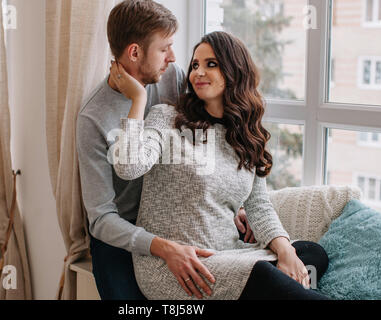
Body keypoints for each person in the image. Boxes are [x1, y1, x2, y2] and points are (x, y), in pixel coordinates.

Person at [110, 31, 330, 300]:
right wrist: (138, 100)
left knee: (309, 253)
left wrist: (286, 252)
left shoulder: (247, 135)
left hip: (228, 253)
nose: (198, 72)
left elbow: (259, 206)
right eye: (195, 65)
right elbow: (128, 166)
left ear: (234, 70)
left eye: (210, 64)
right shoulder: (167, 117)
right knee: (268, 276)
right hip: (177, 266)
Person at [76, 0, 250, 300]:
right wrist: (163, 247)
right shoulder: (92, 118)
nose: (172, 57)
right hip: (124, 235)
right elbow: (101, 218)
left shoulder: (172, 78)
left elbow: (206, 142)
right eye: (164, 48)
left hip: (177, 217)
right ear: (134, 52)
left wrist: (232, 200)